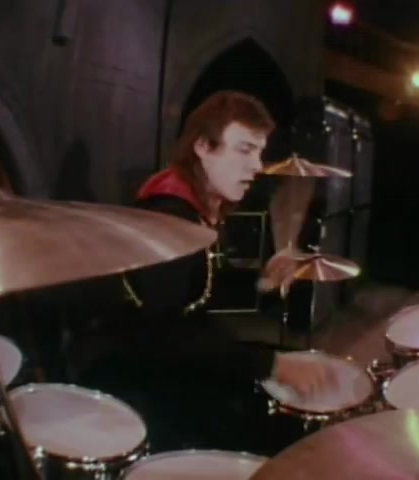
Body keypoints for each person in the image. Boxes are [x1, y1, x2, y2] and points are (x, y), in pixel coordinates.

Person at [83, 91, 334, 454]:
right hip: (145, 382)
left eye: (259, 153)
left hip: (175, 361)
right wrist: (271, 364)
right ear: (202, 146)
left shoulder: (197, 205)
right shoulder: (170, 218)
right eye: (244, 150)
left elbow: (197, 291)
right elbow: (162, 334)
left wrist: (262, 282)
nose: (257, 166)